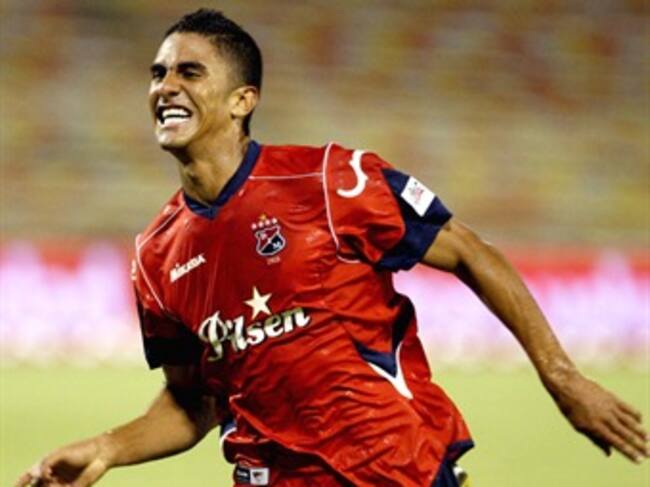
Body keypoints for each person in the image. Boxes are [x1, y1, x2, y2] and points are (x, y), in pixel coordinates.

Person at [16, 8, 648, 487]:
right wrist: (105, 449)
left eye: (189, 71)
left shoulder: (329, 180)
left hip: (395, 468)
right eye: (158, 73)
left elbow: (470, 252)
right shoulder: (155, 257)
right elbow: (194, 401)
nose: (165, 86)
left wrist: (562, 377)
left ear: (242, 100)